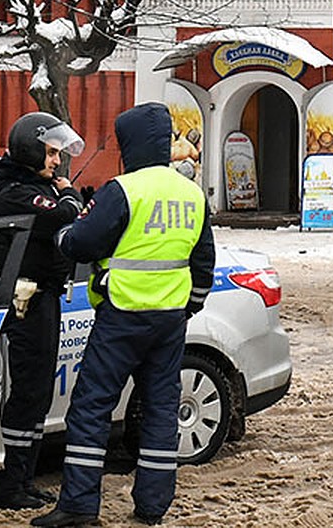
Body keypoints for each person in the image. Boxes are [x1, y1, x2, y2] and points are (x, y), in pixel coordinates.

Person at [32, 103, 215, 528]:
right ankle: (153, 505)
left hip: (122, 317)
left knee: (92, 407)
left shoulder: (123, 190)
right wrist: (189, 306)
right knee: (160, 409)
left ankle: (78, 506)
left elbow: (82, 244)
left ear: (129, 144)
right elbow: (203, 263)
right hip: (170, 321)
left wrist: (63, 233)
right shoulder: (191, 193)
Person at [0, 112, 86, 511]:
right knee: (27, 393)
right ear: (30, 148)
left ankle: (24, 480)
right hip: (27, 301)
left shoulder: (28, 183)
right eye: (51, 153)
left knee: (39, 392)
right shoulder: (12, 191)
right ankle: (8, 485)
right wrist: (70, 196)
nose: (57, 162)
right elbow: (61, 216)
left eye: (59, 154)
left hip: (43, 298)